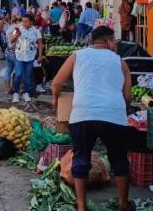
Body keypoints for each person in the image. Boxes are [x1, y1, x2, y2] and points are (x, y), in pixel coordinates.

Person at [52, 26, 132, 211]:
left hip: (83, 114)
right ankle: (123, 204)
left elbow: (56, 83)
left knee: (80, 158)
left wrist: (57, 104)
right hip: (113, 115)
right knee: (119, 160)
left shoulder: (77, 56)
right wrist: (123, 111)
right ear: (109, 41)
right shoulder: (121, 63)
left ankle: (81, 206)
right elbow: (127, 96)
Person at [9, 14, 44, 103]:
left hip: (30, 56)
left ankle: (26, 93)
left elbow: (40, 43)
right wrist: (16, 36)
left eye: (26, 21)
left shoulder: (36, 31)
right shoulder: (18, 29)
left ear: (31, 22)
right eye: (23, 21)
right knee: (18, 75)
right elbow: (11, 41)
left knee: (28, 76)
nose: (24, 23)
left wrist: (40, 55)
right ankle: (16, 93)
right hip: (19, 56)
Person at [3, 16, 21, 94]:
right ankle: (15, 88)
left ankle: (7, 89)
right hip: (16, 52)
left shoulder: (8, 28)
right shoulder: (18, 28)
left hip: (8, 51)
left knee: (8, 70)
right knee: (17, 72)